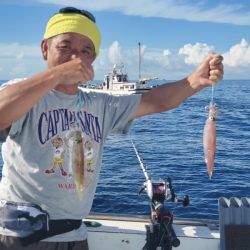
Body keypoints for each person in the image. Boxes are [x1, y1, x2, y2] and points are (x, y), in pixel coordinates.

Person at [0, 6, 223, 250]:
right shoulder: (22, 93)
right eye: (65, 46)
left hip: (74, 236)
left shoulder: (101, 104)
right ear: (45, 49)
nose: (77, 57)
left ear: (93, 58)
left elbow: (154, 100)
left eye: (86, 50)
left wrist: (194, 81)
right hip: (18, 238)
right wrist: (54, 75)